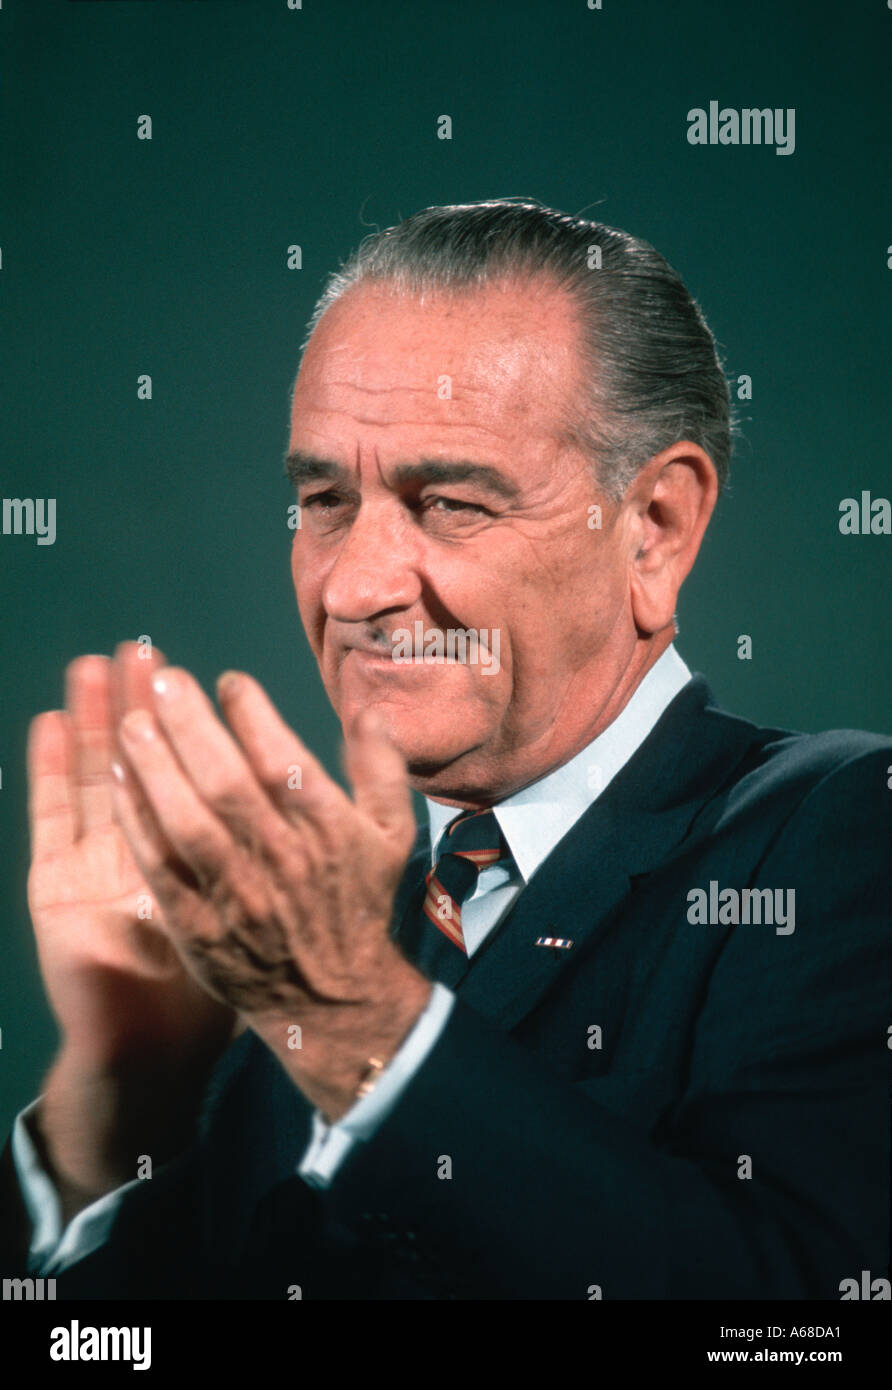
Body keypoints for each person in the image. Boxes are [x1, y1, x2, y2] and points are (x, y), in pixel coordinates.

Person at [2, 200, 889, 1300]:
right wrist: (125, 1097)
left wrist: (355, 1023)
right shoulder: (311, 918)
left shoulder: (841, 827)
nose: (357, 587)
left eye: (452, 502)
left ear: (654, 527)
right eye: (324, 498)